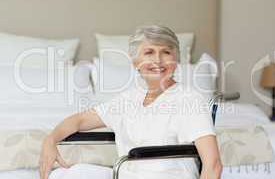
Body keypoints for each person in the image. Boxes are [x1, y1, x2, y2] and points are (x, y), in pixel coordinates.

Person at [39, 25, 222, 179]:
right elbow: (78, 120)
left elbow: (213, 165)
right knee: (64, 175)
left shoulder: (189, 100)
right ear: (135, 61)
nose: (158, 60)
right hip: (126, 175)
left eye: (166, 52)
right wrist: (50, 140)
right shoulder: (128, 99)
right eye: (149, 52)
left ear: (176, 60)